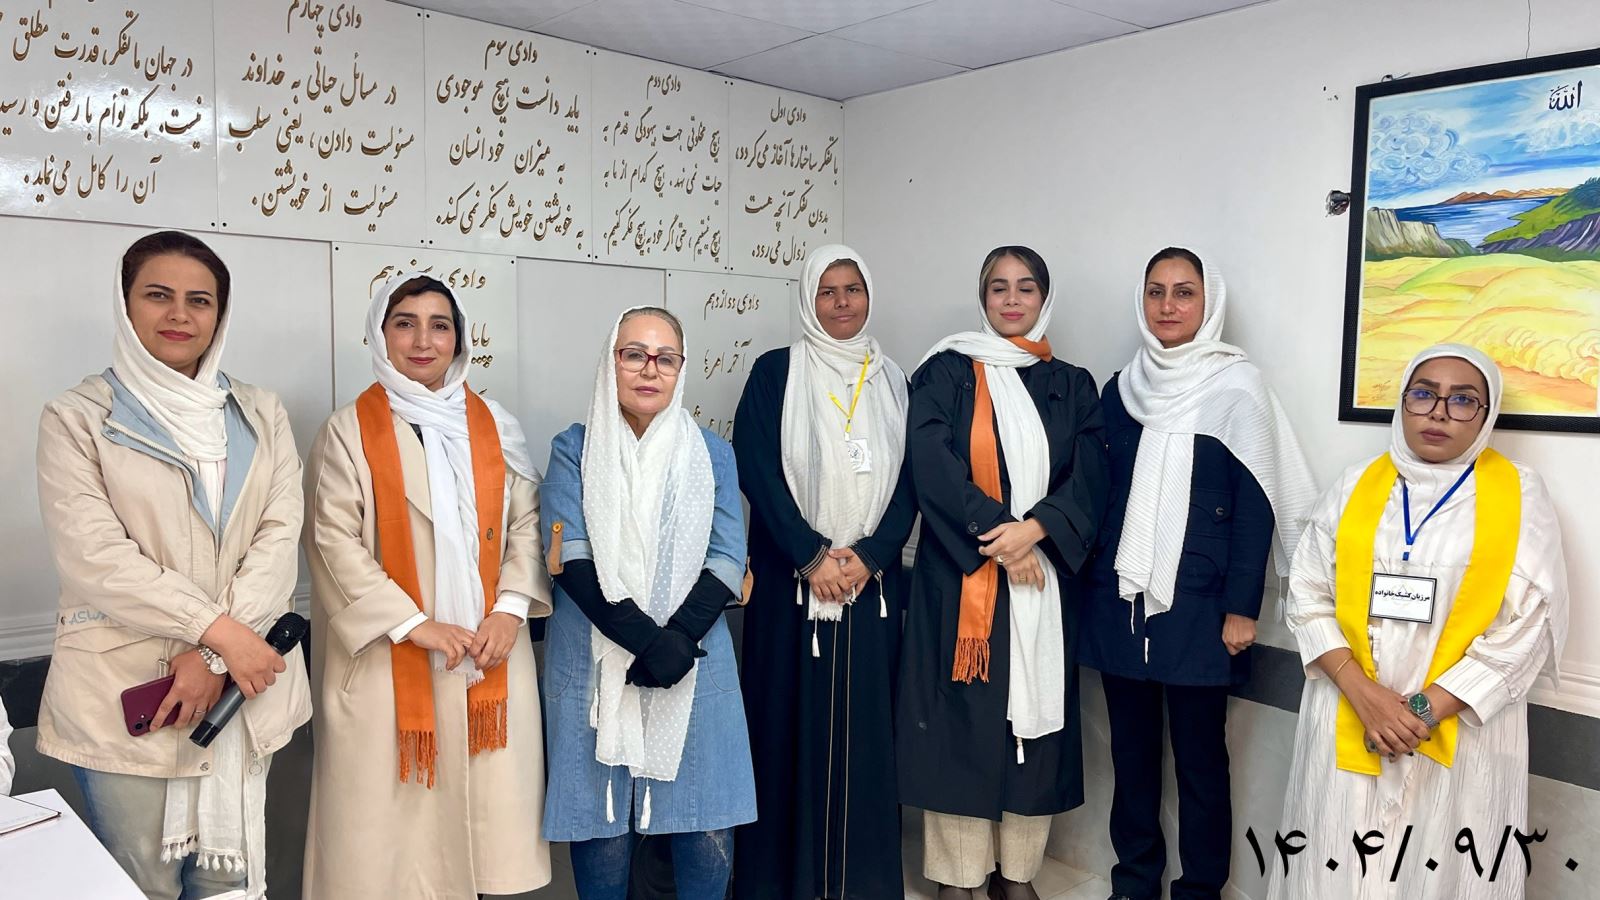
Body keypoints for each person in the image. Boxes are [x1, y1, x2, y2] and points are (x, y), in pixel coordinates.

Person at [35, 231, 311, 900]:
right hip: (128, 690)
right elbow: (97, 558)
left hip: (240, 692)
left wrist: (215, 657)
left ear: (221, 314)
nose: (180, 315)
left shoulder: (260, 413)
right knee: (143, 884)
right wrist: (220, 636)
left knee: (228, 880)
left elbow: (279, 539)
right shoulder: (77, 418)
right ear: (125, 304)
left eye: (200, 300)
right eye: (158, 295)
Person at [1268, 343, 1568, 900]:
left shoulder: (1520, 495)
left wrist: (1419, 712)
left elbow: (1529, 626)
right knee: (1334, 865)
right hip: (1348, 707)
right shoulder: (1355, 485)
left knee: (1442, 868)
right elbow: (1308, 595)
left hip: (1460, 724)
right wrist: (1365, 697)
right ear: (1403, 402)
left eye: (1463, 400)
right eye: (1424, 394)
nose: (1439, 412)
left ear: (1487, 415)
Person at [301, 272, 552, 899]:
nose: (422, 341)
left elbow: (526, 523)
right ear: (379, 336)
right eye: (404, 324)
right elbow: (332, 543)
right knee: (390, 860)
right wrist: (417, 624)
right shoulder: (348, 431)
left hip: (488, 651)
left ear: (459, 340)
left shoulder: (495, 426)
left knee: (486, 837)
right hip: (391, 658)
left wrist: (510, 610)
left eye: (440, 326)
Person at [1078, 247, 1318, 900]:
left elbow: (1255, 506)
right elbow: (1098, 495)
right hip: (1122, 601)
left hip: (1203, 608)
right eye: (1156, 292)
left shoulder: (1238, 388)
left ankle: (1201, 889)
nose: (1168, 306)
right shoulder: (1121, 390)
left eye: (1184, 292)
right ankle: (1135, 882)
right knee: (1130, 759)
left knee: (1202, 763)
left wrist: (1243, 607)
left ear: (1209, 303)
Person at [897, 246, 1110, 900]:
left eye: (1025, 287)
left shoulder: (1072, 384)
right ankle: (958, 876)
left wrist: (1035, 531)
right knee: (958, 724)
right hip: (961, 580)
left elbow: (1091, 474)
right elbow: (932, 466)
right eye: (998, 287)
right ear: (982, 297)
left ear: (1045, 297)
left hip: (1041, 578)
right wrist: (1003, 537)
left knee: (1032, 724)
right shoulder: (944, 372)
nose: (1012, 299)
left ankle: (1018, 873)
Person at [540, 307, 756, 900]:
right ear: (610, 362)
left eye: (665, 358)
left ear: (681, 369)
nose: (649, 369)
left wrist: (677, 640)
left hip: (693, 659)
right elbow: (572, 558)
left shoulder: (711, 453)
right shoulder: (574, 448)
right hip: (597, 658)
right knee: (602, 821)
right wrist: (651, 642)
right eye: (633, 354)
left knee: (703, 819)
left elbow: (726, 556)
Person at [731, 245, 917, 900]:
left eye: (852, 289)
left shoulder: (894, 380)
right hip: (791, 586)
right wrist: (811, 556)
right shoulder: (775, 372)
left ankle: (859, 882)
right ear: (809, 301)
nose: (842, 302)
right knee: (785, 732)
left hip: (870, 588)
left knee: (866, 739)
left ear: (869, 296)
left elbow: (913, 479)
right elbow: (755, 465)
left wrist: (870, 555)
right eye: (827, 291)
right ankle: (781, 882)